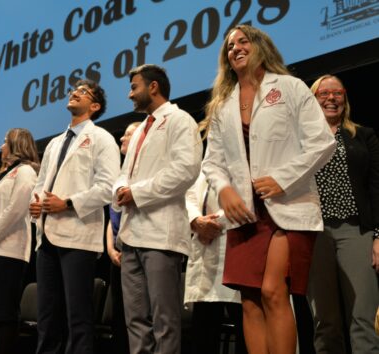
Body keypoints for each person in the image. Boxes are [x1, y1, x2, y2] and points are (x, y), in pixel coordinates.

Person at [200, 24, 336, 354]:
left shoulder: (290, 87)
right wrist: (224, 191)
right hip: (244, 211)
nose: (235, 48)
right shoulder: (222, 105)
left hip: (287, 205)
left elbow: (322, 142)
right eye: (229, 46)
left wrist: (282, 178)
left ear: (261, 46)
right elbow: (212, 163)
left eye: (243, 41)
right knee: (249, 300)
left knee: (273, 291)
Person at [113, 64, 202, 354]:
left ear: (153, 87)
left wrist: (136, 193)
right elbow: (124, 173)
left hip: (161, 236)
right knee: (136, 321)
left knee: (165, 322)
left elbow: (186, 170)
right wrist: (120, 190)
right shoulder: (139, 131)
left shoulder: (180, 120)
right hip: (131, 237)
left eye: (134, 87)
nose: (130, 94)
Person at [29, 79, 120, 354]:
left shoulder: (102, 139)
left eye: (83, 92)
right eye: (74, 90)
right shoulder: (56, 142)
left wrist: (67, 203)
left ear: (94, 106)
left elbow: (107, 187)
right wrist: (35, 206)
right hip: (46, 237)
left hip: (78, 238)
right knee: (46, 316)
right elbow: (41, 182)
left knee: (77, 316)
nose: (74, 93)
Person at [306, 74, 379, 353]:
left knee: (363, 317)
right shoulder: (300, 140)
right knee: (325, 321)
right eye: (323, 94)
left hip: (356, 231)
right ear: (312, 101)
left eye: (337, 93)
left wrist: (378, 236)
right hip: (315, 232)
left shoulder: (363, 136)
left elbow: (376, 187)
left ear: (345, 98)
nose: (331, 98)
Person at [0, 128, 39, 354]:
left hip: (10, 251)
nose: (1, 147)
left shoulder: (26, 172)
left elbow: (16, 209)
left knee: (4, 315)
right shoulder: (3, 174)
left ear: (16, 144)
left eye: (4, 142)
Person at [184, 173, 246, 354]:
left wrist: (213, 224)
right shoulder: (206, 163)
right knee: (204, 330)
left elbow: (246, 201)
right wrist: (196, 220)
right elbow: (189, 196)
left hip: (237, 246)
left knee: (244, 324)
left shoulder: (246, 154)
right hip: (207, 253)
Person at [105, 121, 139, 354]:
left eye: (128, 134)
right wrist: (109, 248)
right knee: (119, 314)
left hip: (135, 249)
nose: (122, 139)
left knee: (136, 314)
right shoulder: (120, 174)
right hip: (116, 254)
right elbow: (111, 217)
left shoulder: (142, 171)